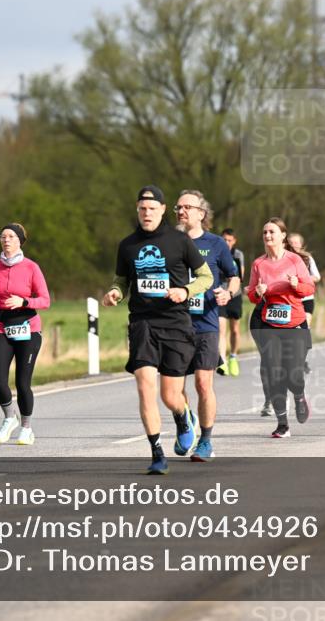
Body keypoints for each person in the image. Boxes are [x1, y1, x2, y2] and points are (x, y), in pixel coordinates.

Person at [102, 185, 213, 474]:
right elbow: (121, 281)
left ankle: (182, 415)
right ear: (137, 210)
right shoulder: (127, 245)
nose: (147, 213)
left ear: (163, 210)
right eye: (142, 208)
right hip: (142, 323)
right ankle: (156, 453)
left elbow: (206, 277)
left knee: (169, 396)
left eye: (152, 208)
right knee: (145, 388)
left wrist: (185, 291)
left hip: (175, 323)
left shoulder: (180, 241)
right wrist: (115, 293)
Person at [175, 191, 240, 462]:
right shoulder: (169, 241)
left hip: (206, 323)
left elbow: (234, 276)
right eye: (178, 207)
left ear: (201, 213)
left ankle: (205, 441)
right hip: (175, 325)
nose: (181, 211)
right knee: (174, 388)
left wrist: (228, 293)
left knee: (203, 383)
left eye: (187, 207)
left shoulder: (215, 244)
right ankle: (184, 419)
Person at [0, 223, 51, 445]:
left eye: (11, 236)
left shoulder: (32, 267)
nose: (6, 240)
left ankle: (26, 428)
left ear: (20, 241)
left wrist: (24, 301)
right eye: (3, 236)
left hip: (27, 328)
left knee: (22, 383)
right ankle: (9, 417)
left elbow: (45, 301)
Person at [248, 218, 315, 437]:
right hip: (269, 324)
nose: (267, 236)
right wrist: (257, 292)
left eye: (272, 232)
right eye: (265, 232)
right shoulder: (259, 264)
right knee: (273, 372)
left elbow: (309, 288)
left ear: (283, 236)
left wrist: (296, 285)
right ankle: (282, 424)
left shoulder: (295, 260)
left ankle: (299, 396)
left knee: (294, 375)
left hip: (294, 322)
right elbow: (252, 295)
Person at [288, 233, 321, 374]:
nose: (293, 245)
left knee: (304, 329)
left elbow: (317, 277)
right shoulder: (284, 259)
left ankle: (302, 360)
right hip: (290, 300)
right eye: (291, 243)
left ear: (301, 245)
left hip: (306, 298)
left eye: (296, 243)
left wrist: (303, 279)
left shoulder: (307, 258)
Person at [217, 228, 245, 376]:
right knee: (221, 328)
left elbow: (240, 276)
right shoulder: (216, 252)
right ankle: (222, 361)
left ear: (234, 241)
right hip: (220, 294)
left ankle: (233, 357)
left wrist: (230, 276)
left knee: (234, 329)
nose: (226, 243)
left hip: (234, 294)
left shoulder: (238, 254)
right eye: (224, 240)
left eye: (229, 240)